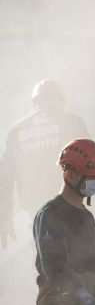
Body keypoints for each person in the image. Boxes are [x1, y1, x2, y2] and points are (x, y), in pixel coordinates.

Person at [0, 79, 89, 247]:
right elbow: (91, 163)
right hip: (71, 208)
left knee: (46, 262)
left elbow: (4, 178)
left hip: (37, 213)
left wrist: (4, 217)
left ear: (34, 102)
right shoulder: (72, 122)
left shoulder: (16, 130)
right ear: (61, 101)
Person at [34, 139, 95, 305]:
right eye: (90, 176)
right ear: (69, 174)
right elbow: (53, 267)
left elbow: (93, 260)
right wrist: (82, 295)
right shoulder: (50, 214)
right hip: (61, 298)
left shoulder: (87, 216)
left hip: (88, 296)